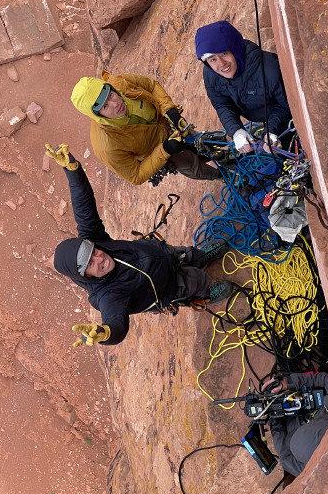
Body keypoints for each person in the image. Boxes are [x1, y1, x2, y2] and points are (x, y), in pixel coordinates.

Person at [45, 143, 235, 347]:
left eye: (94, 252)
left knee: (190, 255)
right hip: (168, 287)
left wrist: (73, 170)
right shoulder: (107, 295)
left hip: (162, 254)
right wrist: (105, 333)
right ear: (85, 276)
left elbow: (83, 205)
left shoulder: (94, 238)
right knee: (196, 280)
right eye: (91, 263)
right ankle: (206, 291)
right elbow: (116, 324)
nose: (100, 259)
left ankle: (201, 257)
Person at [70, 72, 220, 186]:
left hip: (171, 124)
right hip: (160, 151)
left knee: (204, 143)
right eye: (105, 106)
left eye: (110, 95)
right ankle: (222, 175)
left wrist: (169, 110)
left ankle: (225, 155)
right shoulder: (107, 147)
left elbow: (151, 85)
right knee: (191, 165)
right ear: (97, 116)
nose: (115, 104)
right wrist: (166, 149)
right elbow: (135, 176)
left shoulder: (121, 82)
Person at [194, 20, 292, 154]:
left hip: (283, 117)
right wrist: (236, 131)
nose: (221, 64)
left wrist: (272, 130)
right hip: (262, 119)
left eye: (224, 53)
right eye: (212, 59)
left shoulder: (269, 68)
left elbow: (286, 105)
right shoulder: (211, 75)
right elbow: (222, 104)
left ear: (236, 49)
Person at [269, 372, 328, 476]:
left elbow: (285, 459)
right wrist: (289, 383)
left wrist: (274, 423)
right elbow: (327, 379)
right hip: (314, 418)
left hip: (297, 430)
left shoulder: (311, 469)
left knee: (287, 438)